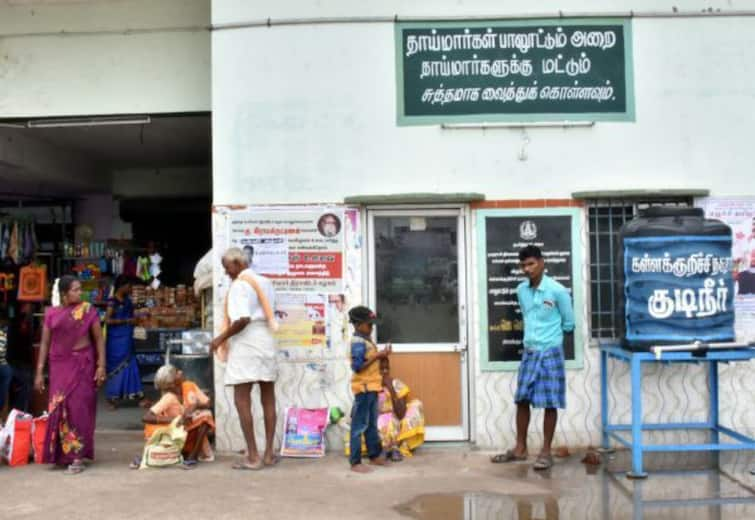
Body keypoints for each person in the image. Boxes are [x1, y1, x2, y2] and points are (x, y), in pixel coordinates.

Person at [491, 245, 574, 471]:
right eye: (524, 265)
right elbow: (527, 316)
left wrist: (550, 340)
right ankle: (520, 448)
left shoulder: (558, 291)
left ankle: (546, 452)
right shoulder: (521, 291)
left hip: (551, 352)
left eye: (531, 264)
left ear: (542, 263)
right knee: (522, 399)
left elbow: (569, 323)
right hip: (529, 352)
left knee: (550, 402)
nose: (527, 269)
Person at [210, 247, 279, 470]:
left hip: (247, 344)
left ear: (239, 264)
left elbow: (241, 320)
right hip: (266, 341)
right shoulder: (266, 282)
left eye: (227, 268)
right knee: (268, 397)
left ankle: (253, 456)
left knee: (242, 399)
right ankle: (268, 453)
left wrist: (219, 339)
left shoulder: (240, 285)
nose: (226, 273)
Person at [35, 275, 106, 475]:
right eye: (75, 289)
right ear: (64, 294)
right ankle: (60, 455)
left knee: (79, 408)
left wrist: (101, 366)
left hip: (83, 364)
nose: (79, 292)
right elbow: (45, 344)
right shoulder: (51, 314)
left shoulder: (88, 310)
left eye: (79, 288)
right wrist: (40, 372)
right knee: (58, 407)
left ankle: (77, 456)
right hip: (59, 366)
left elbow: (99, 340)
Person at [136, 365, 214, 469]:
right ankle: (184, 456)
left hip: (188, 432)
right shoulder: (168, 397)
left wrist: (195, 405)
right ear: (171, 384)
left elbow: (208, 403)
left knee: (206, 415)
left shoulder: (189, 385)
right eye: (177, 373)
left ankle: (192, 457)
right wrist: (176, 420)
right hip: (175, 436)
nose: (181, 372)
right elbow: (146, 417)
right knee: (204, 416)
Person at [348, 305, 390, 474]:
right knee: (359, 425)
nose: (371, 328)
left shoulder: (366, 340)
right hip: (363, 389)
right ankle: (355, 461)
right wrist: (377, 356)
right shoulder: (358, 342)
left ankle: (374, 455)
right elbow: (357, 367)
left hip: (372, 388)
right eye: (369, 324)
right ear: (358, 325)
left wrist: (382, 356)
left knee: (371, 424)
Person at [104, 275, 144, 409]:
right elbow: (107, 320)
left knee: (131, 364)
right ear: (122, 286)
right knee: (115, 369)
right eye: (129, 286)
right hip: (116, 340)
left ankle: (137, 396)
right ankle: (112, 398)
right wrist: (126, 321)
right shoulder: (112, 301)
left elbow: (132, 315)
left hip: (127, 337)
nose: (130, 288)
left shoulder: (128, 301)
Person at [377, 357, 425, 461]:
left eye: (387, 368)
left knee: (417, 405)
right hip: (378, 420)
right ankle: (389, 448)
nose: (385, 372)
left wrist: (391, 389)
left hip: (396, 418)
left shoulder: (395, 383)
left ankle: (395, 448)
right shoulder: (371, 386)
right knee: (384, 421)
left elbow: (402, 413)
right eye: (381, 369)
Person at [7, 303, 35, 413]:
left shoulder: (18, 320)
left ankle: (17, 412)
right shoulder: (20, 321)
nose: (30, 307)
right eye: (28, 305)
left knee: (20, 387)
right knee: (25, 386)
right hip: (19, 361)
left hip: (17, 360)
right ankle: (19, 412)